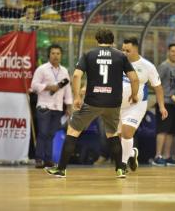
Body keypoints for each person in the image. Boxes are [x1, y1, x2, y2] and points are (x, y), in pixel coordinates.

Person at [45, 28, 139, 178]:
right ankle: (120, 169)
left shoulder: (89, 54)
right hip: (113, 102)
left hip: (93, 101)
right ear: (112, 41)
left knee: (73, 131)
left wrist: (77, 97)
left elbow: (76, 75)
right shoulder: (121, 56)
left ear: (97, 40)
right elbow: (134, 78)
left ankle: (61, 169)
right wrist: (134, 95)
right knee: (113, 134)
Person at [120, 37, 168, 172]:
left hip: (137, 105)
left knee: (127, 133)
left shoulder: (147, 66)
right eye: (122, 50)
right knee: (120, 137)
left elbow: (158, 88)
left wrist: (162, 106)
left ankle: (122, 165)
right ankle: (131, 154)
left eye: (127, 50)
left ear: (136, 49)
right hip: (118, 105)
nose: (124, 53)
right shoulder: (118, 62)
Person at [31, 44, 73, 168]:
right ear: (49, 55)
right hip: (44, 106)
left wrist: (69, 107)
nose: (55, 56)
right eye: (53, 53)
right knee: (43, 133)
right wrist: (49, 87)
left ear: (61, 56)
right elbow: (34, 85)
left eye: (58, 54)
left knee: (51, 134)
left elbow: (67, 90)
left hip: (58, 107)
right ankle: (39, 159)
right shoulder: (42, 69)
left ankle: (48, 159)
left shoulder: (64, 71)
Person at [152, 43, 175, 166]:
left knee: (171, 131)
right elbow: (155, 82)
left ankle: (167, 156)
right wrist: (160, 101)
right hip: (165, 102)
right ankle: (157, 155)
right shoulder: (164, 66)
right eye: (172, 51)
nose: (174, 53)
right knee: (163, 130)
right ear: (168, 52)